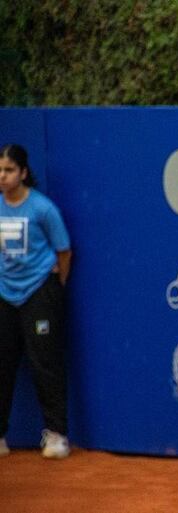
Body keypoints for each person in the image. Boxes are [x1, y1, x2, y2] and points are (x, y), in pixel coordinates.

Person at [0, 143, 72, 459]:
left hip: (38, 293)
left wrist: (53, 288)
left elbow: (64, 251)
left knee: (46, 364)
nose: (2, 176)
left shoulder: (43, 209)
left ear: (24, 173)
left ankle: (56, 435)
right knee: (2, 366)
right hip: (4, 295)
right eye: (0, 171)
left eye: (9, 170)